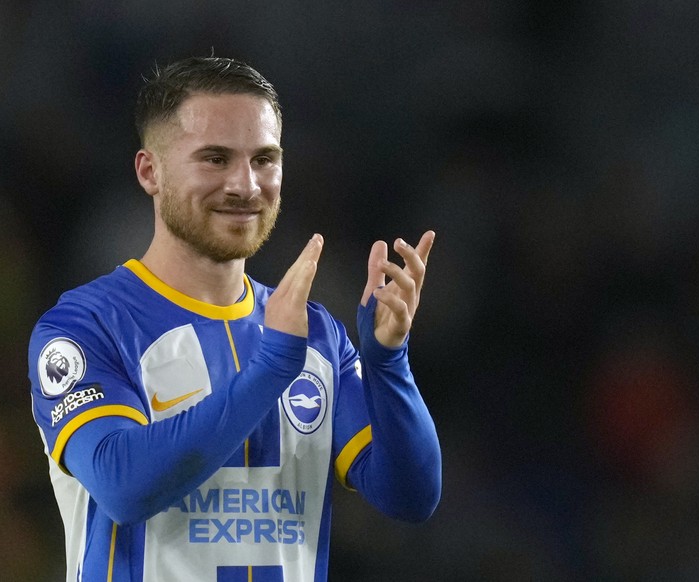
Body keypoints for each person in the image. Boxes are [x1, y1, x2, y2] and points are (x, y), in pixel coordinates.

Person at [28, 56, 442, 582]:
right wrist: (271, 367)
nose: (245, 185)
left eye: (264, 159)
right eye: (215, 159)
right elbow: (122, 486)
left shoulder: (315, 336)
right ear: (149, 172)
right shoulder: (85, 328)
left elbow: (411, 496)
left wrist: (388, 362)